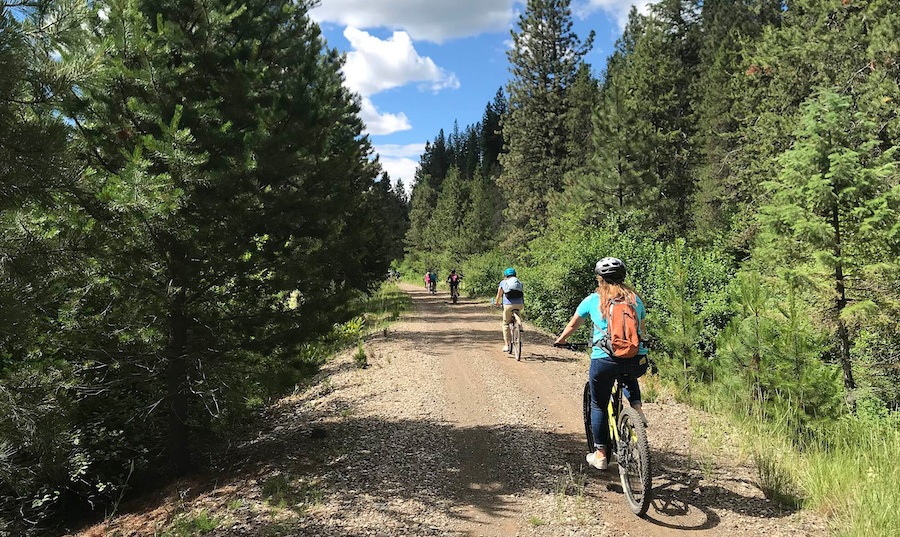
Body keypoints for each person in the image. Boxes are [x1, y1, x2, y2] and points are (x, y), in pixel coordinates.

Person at [554, 257, 649, 471]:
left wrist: (560, 341)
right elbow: (641, 331)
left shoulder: (592, 300)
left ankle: (600, 454)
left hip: (604, 359)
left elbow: (572, 325)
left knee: (598, 404)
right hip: (636, 359)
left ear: (600, 279)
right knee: (628, 372)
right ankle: (637, 409)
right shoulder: (635, 299)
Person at [493, 267, 524, 353]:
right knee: (518, 312)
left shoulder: (503, 282)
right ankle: (519, 326)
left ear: (505, 275)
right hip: (520, 304)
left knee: (505, 323)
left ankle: (507, 345)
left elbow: (499, 294)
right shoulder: (519, 282)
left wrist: (497, 302)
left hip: (508, 305)